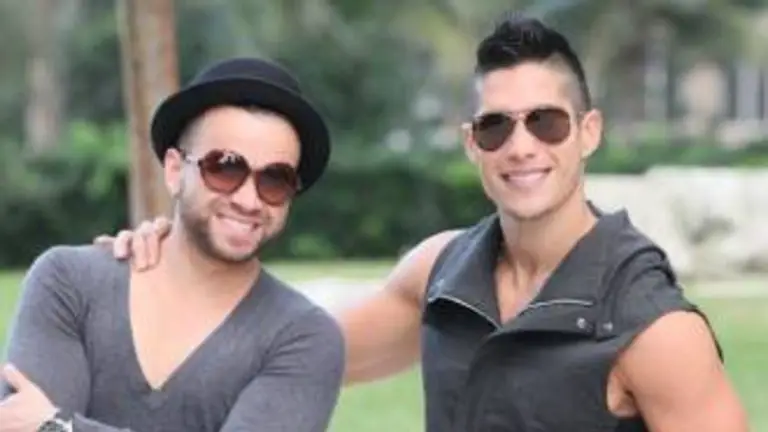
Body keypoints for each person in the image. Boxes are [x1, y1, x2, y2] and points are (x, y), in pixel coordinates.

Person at [99, 16, 748, 432]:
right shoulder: (443, 276)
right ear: (471, 143)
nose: (521, 147)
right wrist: (176, 262)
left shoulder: (653, 330)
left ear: (589, 132)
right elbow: (287, 351)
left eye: (546, 122)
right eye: (496, 127)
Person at [0, 57, 346, 432]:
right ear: (175, 170)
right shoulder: (70, 283)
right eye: (225, 167)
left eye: (275, 179)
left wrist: (58, 427)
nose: (249, 200)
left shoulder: (304, 336)